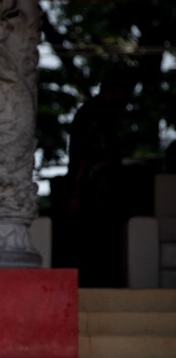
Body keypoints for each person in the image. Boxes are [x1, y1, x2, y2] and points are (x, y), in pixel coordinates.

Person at [63, 66, 137, 287]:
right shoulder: (94, 114)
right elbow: (84, 156)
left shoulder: (99, 114)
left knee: (101, 245)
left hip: (100, 191)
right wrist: (76, 192)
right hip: (93, 192)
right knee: (93, 244)